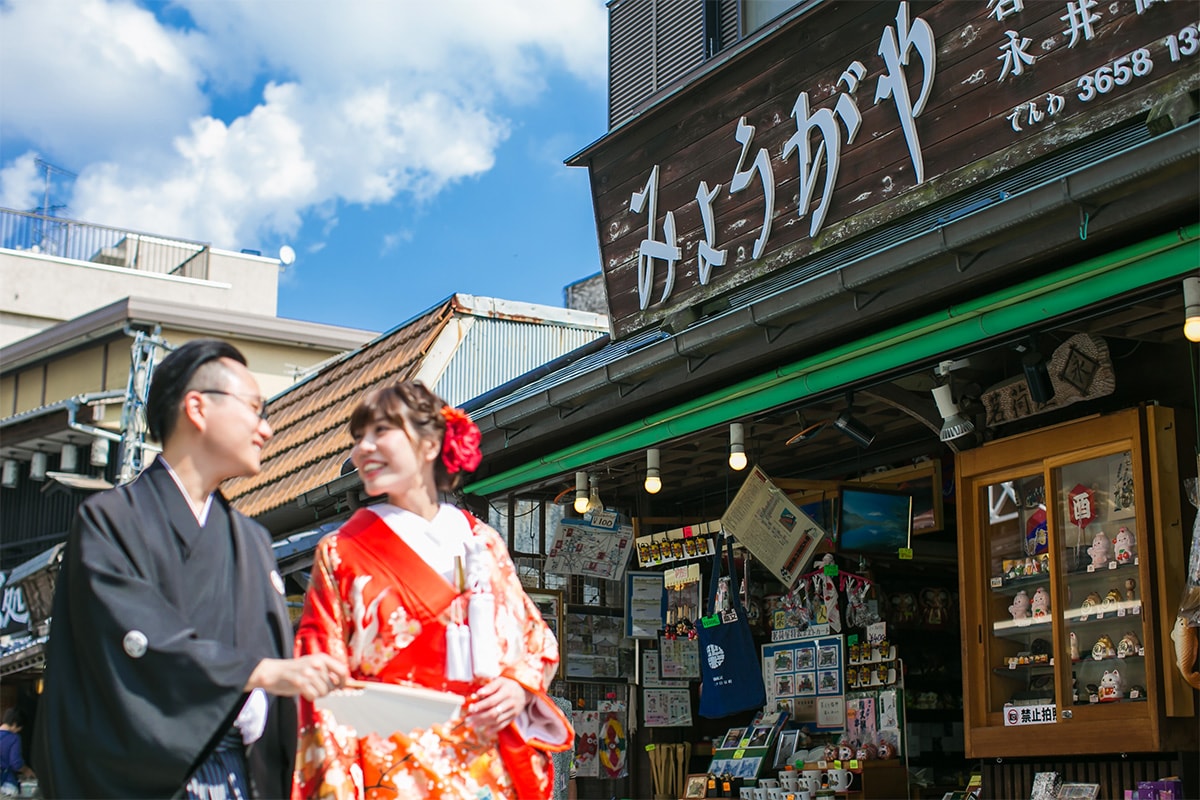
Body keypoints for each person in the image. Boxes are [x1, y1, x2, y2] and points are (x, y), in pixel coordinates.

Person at [33, 339, 348, 799]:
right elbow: (136, 637)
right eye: (255, 409)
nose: (267, 429)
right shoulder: (111, 520)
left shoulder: (252, 541)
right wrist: (260, 671)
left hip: (243, 772)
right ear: (197, 408)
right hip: (142, 777)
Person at [293, 381, 572, 800]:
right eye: (358, 438)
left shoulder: (481, 541)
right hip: (389, 768)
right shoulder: (342, 552)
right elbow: (320, 675)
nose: (363, 448)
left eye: (381, 431)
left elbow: (534, 640)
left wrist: (517, 687)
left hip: (483, 764)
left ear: (428, 445)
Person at [0, 709, 32, 797]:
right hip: (5, 785)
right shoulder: (14, 738)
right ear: (14, 724)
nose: (19, 730)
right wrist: (26, 770)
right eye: (20, 727)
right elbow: (16, 763)